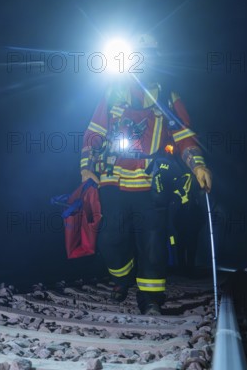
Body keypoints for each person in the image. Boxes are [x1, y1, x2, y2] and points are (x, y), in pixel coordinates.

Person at [79, 33, 212, 315]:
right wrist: (86, 167)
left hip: (152, 182)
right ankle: (121, 278)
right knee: (111, 239)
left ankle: (150, 298)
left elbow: (185, 136)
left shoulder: (167, 96)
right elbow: (95, 132)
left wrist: (197, 164)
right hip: (113, 179)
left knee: (153, 241)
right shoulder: (113, 92)